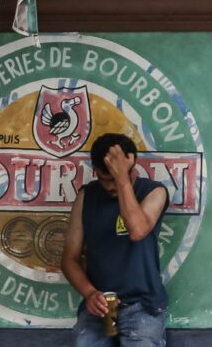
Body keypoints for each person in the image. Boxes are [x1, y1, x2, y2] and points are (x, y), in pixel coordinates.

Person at [62, 133, 170, 346]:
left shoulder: (154, 191)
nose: (111, 186)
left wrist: (122, 179)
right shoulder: (87, 195)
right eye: (105, 180)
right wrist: (90, 293)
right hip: (99, 306)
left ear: (132, 168)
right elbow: (69, 259)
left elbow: (137, 230)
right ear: (95, 173)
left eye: (115, 179)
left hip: (144, 305)